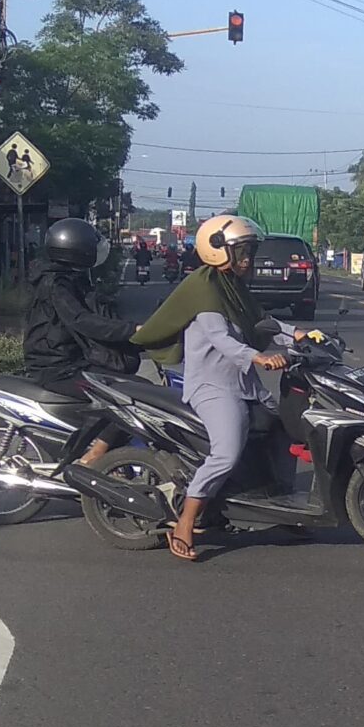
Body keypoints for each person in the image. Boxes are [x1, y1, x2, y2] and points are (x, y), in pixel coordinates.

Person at [131, 214, 293, 562]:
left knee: (285, 430)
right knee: (226, 452)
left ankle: (282, 508)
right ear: (219, 251)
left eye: (250, 251)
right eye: (242, 252)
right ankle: (186, 522)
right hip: (213, 388)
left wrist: (299, 335)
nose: (248, 260)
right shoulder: (203, 290)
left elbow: (262, 322)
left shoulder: (234, 287)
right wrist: (259, 358)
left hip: (243, 383)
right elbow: (222, 340)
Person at [23, 217, 141, 472]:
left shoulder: (68, 278)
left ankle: (114, 455)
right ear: (78, 249)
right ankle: (93, 457)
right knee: (134, 395)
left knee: (135, 389)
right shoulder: (55, 283)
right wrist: (131, 331)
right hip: (58, 367)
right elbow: (82, 321)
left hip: (73, 361)